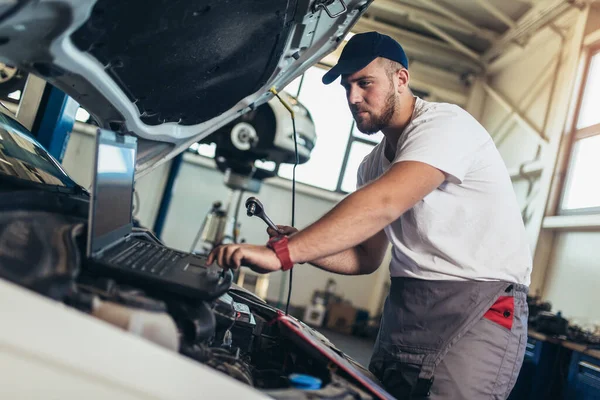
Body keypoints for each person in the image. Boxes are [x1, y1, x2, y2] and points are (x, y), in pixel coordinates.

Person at [207, 31, 532, 399]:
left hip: (478, 311)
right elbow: (364, 257)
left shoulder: (445, 126)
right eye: (347, 86)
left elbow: (384, 203)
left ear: (401, 79)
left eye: (365, 83)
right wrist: (299, 242)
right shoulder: (372, 165)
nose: (353, 97)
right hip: (407, 311)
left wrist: (282, 255)